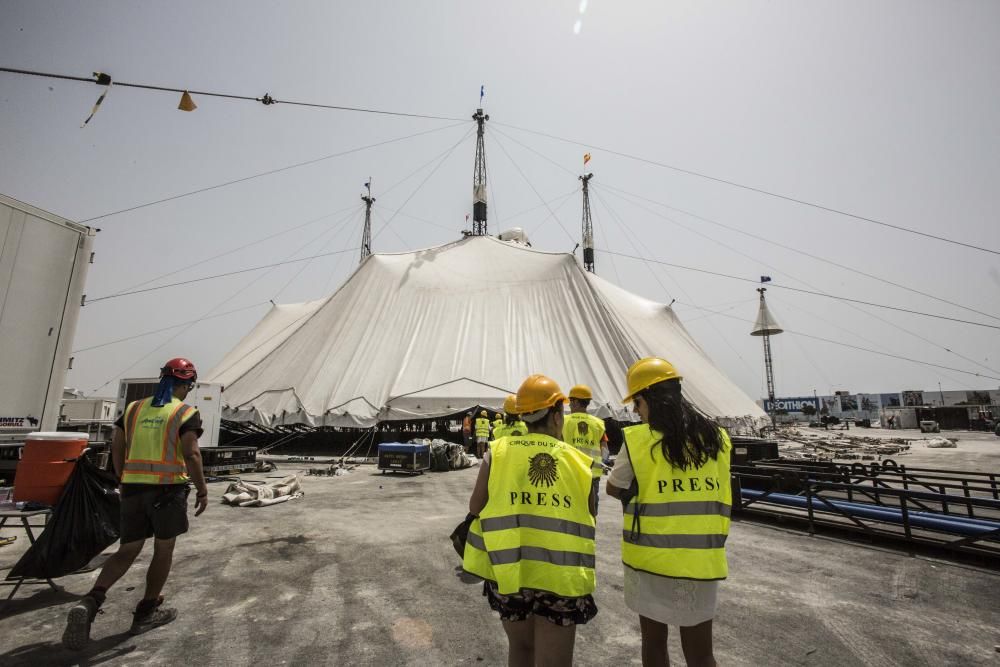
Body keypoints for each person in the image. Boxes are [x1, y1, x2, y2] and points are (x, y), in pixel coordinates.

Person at [62, 357, 209, 650]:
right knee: (163, 549)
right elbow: (191, 454)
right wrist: (203, 489)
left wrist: (122, 477)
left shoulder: (133, 408)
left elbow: (116, 444)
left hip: (132, 488)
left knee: (127, 550)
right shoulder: (184, 412)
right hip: (167, 491)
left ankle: (92, 600)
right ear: (188, 384)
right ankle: (146, 611)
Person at [463, 375, 598, 666]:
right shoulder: (578, 462)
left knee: (521, 650)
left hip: (510, 573)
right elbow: (590, 511)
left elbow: (476, 505)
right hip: (559, 576)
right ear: (557, 415)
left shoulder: (496, 452)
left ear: (523, 415)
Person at [606, 357, 731, 667]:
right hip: (701, 561)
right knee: (701, 654)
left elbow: (613, 486)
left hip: (651, 560)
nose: (636, 410)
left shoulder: (637, 441)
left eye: (637, 401)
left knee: (654, 644)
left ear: (652, 398)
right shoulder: (717, 439)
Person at [563, 384, 609, 514]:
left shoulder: (564, 421)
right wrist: (603, 463)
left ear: (576, 402)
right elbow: (605, 449)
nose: (570, 405)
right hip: (593, 473)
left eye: (571, 401)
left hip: (570, 471)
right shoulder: (598, 423)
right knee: (591, 508)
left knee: (570, 507)